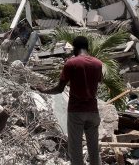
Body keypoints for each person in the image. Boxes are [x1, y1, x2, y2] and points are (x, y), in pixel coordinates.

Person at [31, 36, 102, 165]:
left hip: (76, 112)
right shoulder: (98, 63)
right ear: (87, 47)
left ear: (75, 48)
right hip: (93, 111)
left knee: (75, 149)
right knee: (94, 149)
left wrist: (43, 90)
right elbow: (98, 82)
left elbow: (59, 89)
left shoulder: (71, 63)